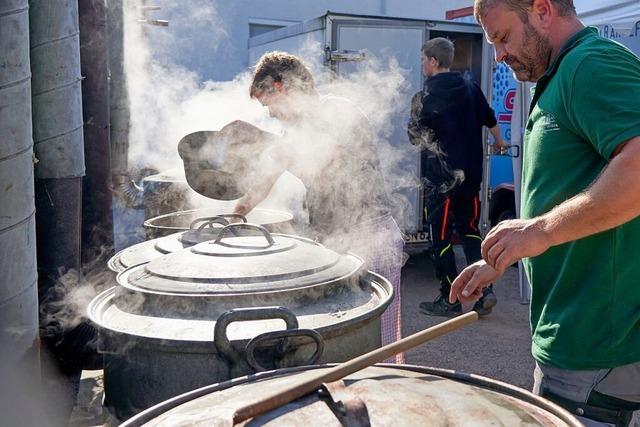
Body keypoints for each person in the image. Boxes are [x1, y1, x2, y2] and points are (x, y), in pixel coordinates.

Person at [449, 1, 640, 425]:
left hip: (597, 348)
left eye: (501, 37)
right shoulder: (559, 75)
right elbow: (568, 195)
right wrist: (505, 253)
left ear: (542, 9)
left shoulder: (591, 64)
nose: (497, 54)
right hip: (572, 341)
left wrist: (541, 230)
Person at [224, 51, 406, 362]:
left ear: (281, 88)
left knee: (378, 351)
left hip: (369, 239)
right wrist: (234, 217)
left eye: (268, 105)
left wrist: (261, 138)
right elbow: (266, 178)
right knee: (340, 349)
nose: (270, 114)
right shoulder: (295, 133)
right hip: (338, 244)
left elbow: (325, 161)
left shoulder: (337, 112)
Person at [408, 37, 506, 318]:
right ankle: (484, 290)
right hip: (471, 177)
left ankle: (449, 298)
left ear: (434, 61)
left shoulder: (424, 96)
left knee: (440, 236)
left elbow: (415, 138)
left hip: (441, 180)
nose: (423, 65)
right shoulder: (470, 86)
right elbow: (491, 120)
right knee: (471, 230)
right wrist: (499, 143)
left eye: (424, 60)